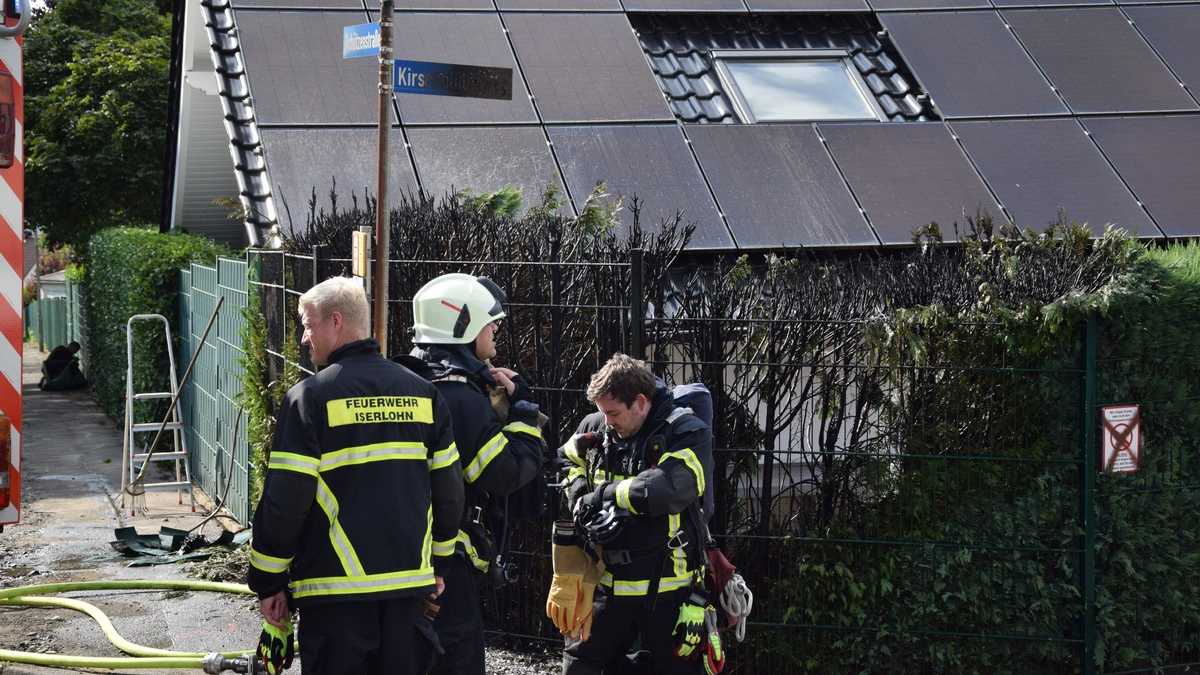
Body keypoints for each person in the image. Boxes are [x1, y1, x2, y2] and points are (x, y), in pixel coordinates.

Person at [246, 276, 465, 675]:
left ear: (335, 321)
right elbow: (449, 491)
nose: (303, 339)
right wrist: (439, 566)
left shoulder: (308, 399)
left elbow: (285, 503)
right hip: (407, 592)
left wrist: (268, 580)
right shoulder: (425, 395)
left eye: (307, 325)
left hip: (335, 596)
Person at [393, 273, 546, 675]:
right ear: (461, 325)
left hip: (401, 550)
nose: (495, 330)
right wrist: (524, 411)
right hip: (447, 560)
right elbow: (504, 473)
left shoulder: (411, 381)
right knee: (455, 652)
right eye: (489, 322)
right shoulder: (459, 395)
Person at [557, 352, 714, 675]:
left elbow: (669, 489)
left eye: (614, 413)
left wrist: (601, 496)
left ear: (641, 402)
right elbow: (565, 461)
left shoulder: (685, 431)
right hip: (608, 583)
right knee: (579, 665)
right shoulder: (598, 425)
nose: (607, 423)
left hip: (669, 589)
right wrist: (578, 498)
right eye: (602, 414)